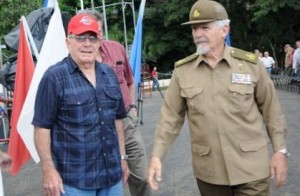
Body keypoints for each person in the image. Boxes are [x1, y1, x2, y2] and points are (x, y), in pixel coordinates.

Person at [147, 1, 288, 195]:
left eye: (205, 27)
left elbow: (272, 112)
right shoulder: (183, 71)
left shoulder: (250, 65)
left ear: (224, 30)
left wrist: (280, 151)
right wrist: (157, 155)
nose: (198, 34)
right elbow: (170, 118)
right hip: (210, 174)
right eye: (195, 28)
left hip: (251, 169)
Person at [32, 13, 129, 196]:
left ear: (99, 42)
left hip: (111, 178)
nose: (87, 43)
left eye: (92, 38)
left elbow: (117, 121)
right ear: (68, 42)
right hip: (74, 182)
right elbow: (41, 128)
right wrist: (48, 170)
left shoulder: (109, 75)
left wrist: (123, 158)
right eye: (80, 37)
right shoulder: (54, 78)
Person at [82, 10, 151, 196]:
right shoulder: (78, 57)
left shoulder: (116, 48)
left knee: (142, 176)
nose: (94, 36)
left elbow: (129, 81)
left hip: (127, 122)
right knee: (108, 180)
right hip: (97, 127)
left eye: (97, 31)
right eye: (88, 33)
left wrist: (133, 110)